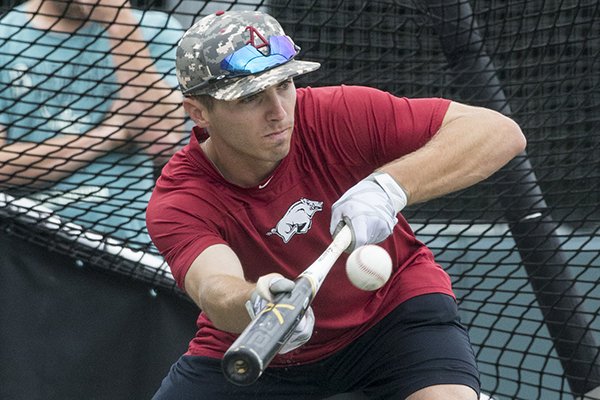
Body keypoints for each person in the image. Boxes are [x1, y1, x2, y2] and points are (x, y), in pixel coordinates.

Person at [146, 10, 526, 400]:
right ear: (199, 112)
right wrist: (258, 304)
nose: (278, 111)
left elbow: (499, 132)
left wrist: (389, 188)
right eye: (250, 97)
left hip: (391, 316)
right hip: (263, 347)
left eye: (284, 84)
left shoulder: (337, 113)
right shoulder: (179, 198)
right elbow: (214, 287)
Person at [0, 0, 185, 248]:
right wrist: (107, 135)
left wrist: (117, 21)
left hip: (127, 247)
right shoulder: (7, 37)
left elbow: (161, 140)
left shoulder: (156, 29)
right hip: (29, 246)